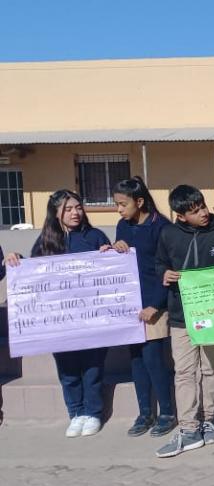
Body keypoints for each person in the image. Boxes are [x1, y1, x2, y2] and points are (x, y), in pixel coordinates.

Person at [4, 190, 111, 438]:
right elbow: (32, 274)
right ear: (56, 213)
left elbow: (111, 269)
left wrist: (111, 254)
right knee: (68, 369)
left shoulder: (94, 236)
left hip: (93, 320)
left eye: (78, 207)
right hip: (60, 323)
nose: (75, 213)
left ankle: (93, 413)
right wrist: (16, 259)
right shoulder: (45, 241)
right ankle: (76, 413)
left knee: (93, 367)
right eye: (68, 209)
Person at [154, 185, 214, 457]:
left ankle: (208, 419)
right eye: (195, 211)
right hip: (180, 316)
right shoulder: (168, 234)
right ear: (181, 215)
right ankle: (188, 427)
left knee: (211, 369)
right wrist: (164, 274)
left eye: (203, 207)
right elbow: (158, 263)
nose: (204, 213)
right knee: (185, 372)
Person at [111, 177, 177, 438]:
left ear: (139, 202)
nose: (119, 210)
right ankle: (144, 413)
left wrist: (156, 304)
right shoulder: (122, 226)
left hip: (155, 305)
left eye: (122, 204)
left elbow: (170, 271)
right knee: (136, 359)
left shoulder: (161, 227)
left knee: (153, 359)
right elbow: (121, 261)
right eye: (116, 204)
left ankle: (167, 412)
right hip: (131, 304)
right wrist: (115, 248)